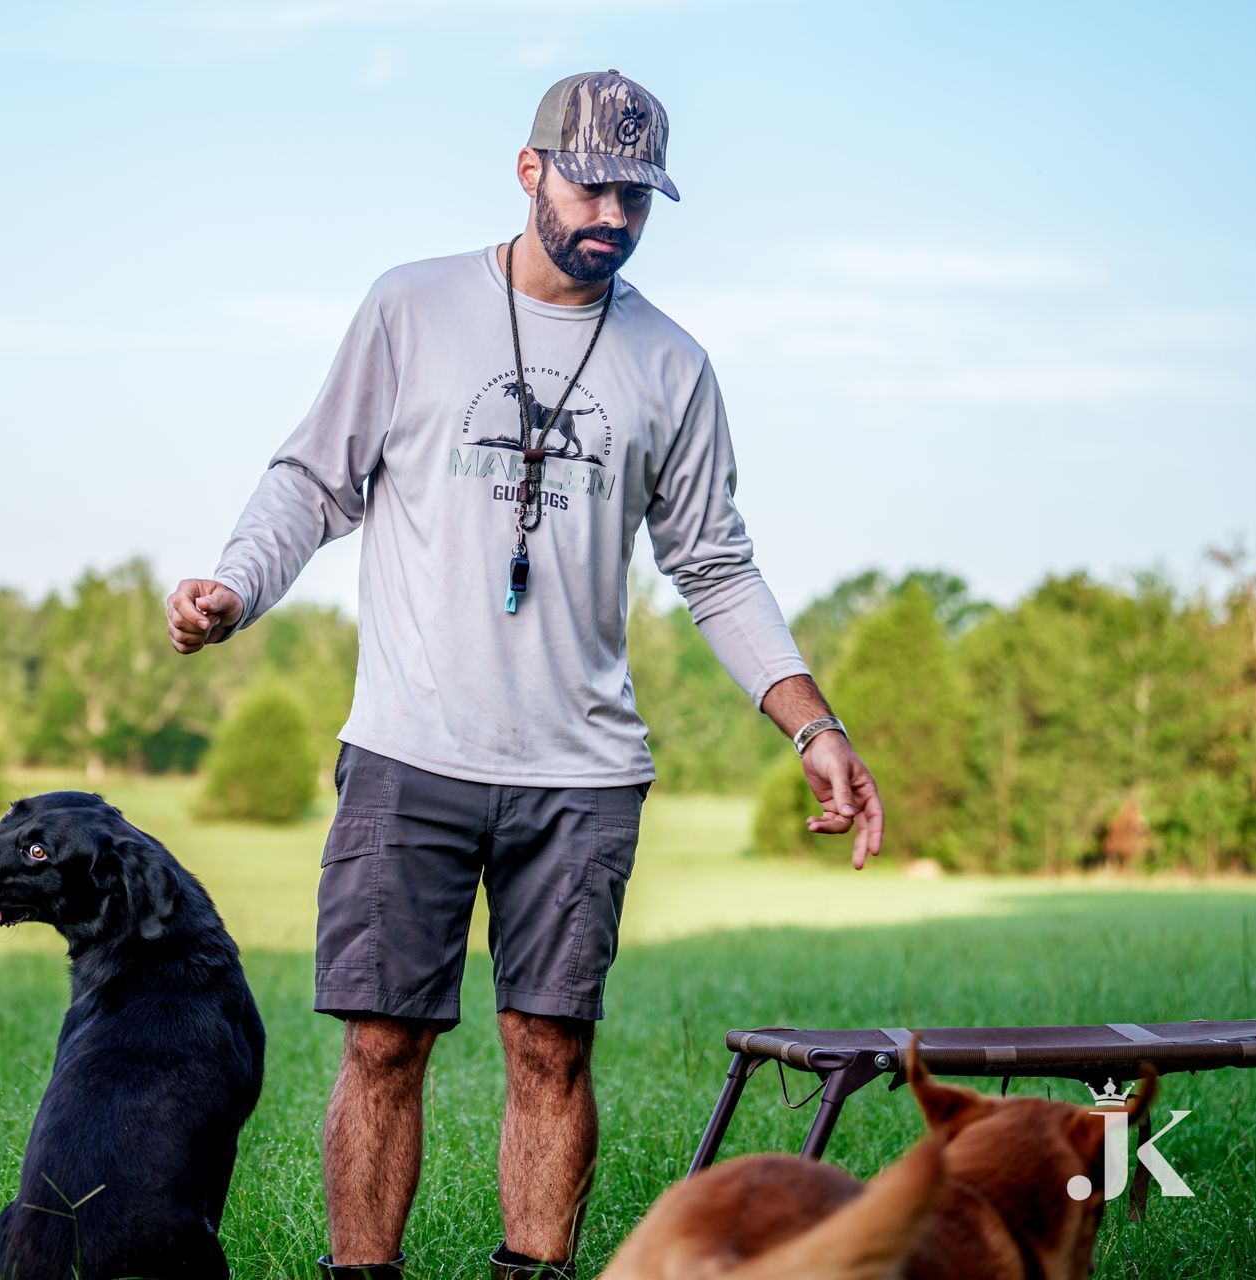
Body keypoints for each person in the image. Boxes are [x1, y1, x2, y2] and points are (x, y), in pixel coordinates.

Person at [165, 69, 885, 1280]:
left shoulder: (674, 364)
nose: (614, 214)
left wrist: (812, 722)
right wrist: (238, 583)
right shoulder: (411, 307)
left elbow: (714, 564)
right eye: (594, 184)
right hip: (409, 748)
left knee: (551, 1047)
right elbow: (310, 479)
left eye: (639, 196)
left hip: (581, 770)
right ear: (530, 168)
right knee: (384, 1043)